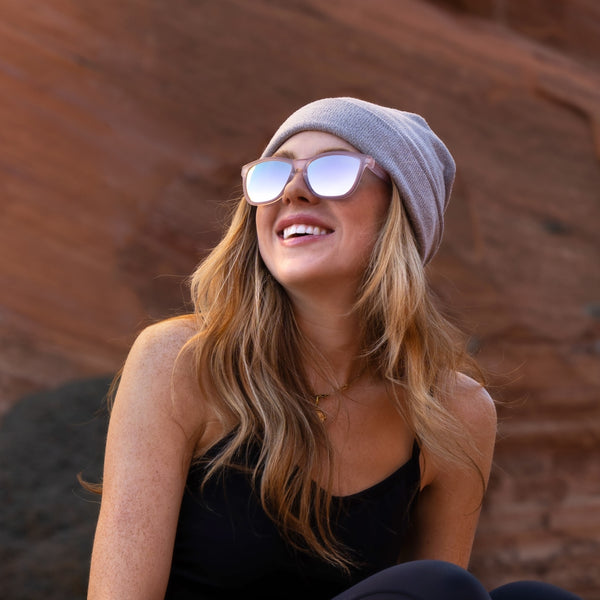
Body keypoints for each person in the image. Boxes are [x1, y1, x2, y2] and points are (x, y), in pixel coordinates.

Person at [87, 97, 582, 600]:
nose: (293, 191)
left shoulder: (454, 413)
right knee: (438, 585)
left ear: (402, 213)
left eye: (333, 170)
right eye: (274, 174)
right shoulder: (183, 362)